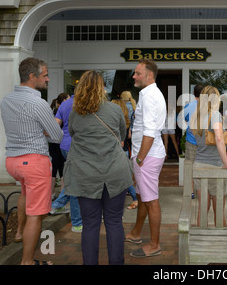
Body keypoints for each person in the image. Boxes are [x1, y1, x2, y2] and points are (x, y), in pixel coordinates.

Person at [63, 70, 133, 265]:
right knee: (114, 222)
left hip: (86, 174)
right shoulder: (114, 109)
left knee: (90, 224)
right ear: (102, 87)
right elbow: (121, 135)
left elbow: (72, 133)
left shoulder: (75, 112)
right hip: (114, 172)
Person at [1, 57, 63, 265]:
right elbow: (57, 135)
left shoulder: (6, 100)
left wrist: (39, 130)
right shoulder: (38, 103)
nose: (47, 79)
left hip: (13, 161)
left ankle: (19, 231)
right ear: (32, 76)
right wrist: (43, 130)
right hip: (34, 161)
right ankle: (27, 261)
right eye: (45, 75)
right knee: (37, 214)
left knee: (25, 193)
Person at [125, 59, 166, 258]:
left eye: (138, 73)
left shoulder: (149, 97)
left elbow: (149, 132)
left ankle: (155, 244)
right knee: (142, 197)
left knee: (151, 200)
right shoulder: (149, 94)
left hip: (147, 156)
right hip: (146, 155)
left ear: (149, 75)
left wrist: (140, 158)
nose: (134, 76)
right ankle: (136, 233)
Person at [190, 85, 227, 226]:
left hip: (199, 165)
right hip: (215, 166)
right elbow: (219, 139)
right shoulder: (215, 115)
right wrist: (226, 163)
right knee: (218, 208)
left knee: (203, 207)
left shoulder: (196, 117)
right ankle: (220, 239)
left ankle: (200, 238)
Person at [50, 93, 83, 233]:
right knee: (76, 183)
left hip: (65, 146)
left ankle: (57, 204)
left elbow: (54, 126)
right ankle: (77, 223)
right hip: (79, 147)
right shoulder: (84, 103)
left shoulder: (64, 103)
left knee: (72, 179)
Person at [183, 84, 204, 199]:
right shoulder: (208, 107)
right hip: (205, 142)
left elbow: (184, 119)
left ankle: (191, 191)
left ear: (194, 93)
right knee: (205, 165)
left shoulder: (188, 107)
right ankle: (204, 190)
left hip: (191, 140)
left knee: (189, 165)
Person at [49, 93, 69, 200]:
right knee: (61, 168)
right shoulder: (61, 111)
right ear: (64, 100)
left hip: (54, 143)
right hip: (61, 142)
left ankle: (52, 193)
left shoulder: (54, 112)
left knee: (54, 167)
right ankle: (62, 191)